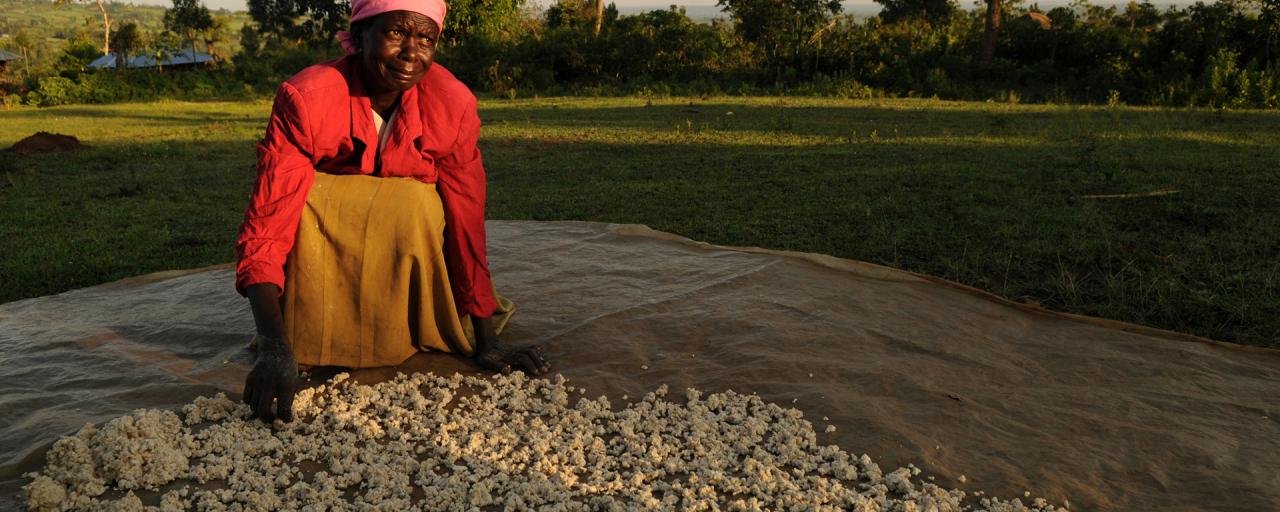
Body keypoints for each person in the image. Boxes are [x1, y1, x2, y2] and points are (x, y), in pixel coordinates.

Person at [235, 0, 551, 423]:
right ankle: (308, 336)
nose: (411, 53)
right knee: (308, 198)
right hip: (326, 246)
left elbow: (466, 218)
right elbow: (268, 222)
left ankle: (400, 323)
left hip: (405, 245)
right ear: (360, 34)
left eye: (426, 39)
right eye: (396, 33)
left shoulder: (452, 104)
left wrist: (484, 338)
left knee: (417, 201)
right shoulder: (307, 99)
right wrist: (273, 345)